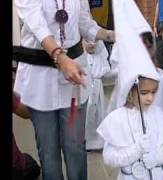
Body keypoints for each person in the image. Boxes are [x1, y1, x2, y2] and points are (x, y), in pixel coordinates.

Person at [13, 0, 115, 179]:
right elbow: (37, 25)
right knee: (48, 150)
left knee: (75, 146)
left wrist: (108, 34)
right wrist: (60, 57)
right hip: (40, 82)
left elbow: (84, 22)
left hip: (73, 81)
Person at [97, 0, 163, 178]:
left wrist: (156, 157)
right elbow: (109, 157)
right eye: (144, 93)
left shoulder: (156, 114)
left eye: (153, 92)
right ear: (130, 92)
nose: (149, 98)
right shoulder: (118, 118)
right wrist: (135, 151)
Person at [83, 39, 111, 151]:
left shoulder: (100, 52)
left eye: (95, 41)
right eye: (88, 41)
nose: (92, 44)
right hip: (84, 86)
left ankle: (99, 142)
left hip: (97, 86)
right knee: (86, 114)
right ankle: (86, 140)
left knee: (99, 113)